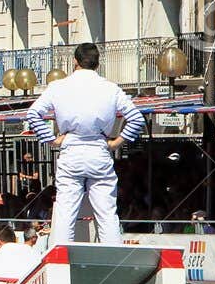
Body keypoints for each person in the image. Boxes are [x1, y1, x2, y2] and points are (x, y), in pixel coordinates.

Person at [24, 42, 145, 246]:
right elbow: (137, 119)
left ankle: (60, 261)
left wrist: (52, 140)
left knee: (65, 212)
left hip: (71, 148)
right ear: (97, 63)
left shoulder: (58, 87)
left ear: (75, 61)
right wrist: (116, 143)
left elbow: (33, 115)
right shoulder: (110, 88)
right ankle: (113, 260)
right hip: (99, 148)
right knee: (106, 213)